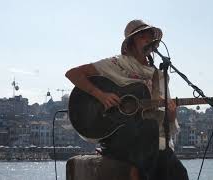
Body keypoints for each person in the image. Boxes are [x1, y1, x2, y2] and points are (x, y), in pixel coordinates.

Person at [65, 19, 189, 180]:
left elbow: (165, 118)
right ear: (131, 43)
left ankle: (139, 168)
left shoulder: (159, 77)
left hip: (151, 140)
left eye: (150, 36)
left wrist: (171, 114)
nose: (147, 39)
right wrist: (101, 95)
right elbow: (73, 74)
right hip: (119, 134)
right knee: (150, 131)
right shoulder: (116, 64)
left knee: (179, 172)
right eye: (142, 36)